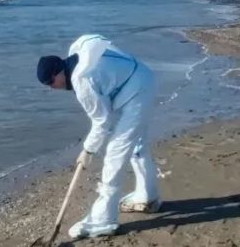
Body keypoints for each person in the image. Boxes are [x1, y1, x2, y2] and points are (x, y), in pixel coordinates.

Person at [36, 34, 160, 239]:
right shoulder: (80, 51)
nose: (52, 88)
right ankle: (148, 196)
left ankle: (103, 220)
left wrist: (88, 150)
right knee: (137, 146)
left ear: (59, 71)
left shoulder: (81, 80)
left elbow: (102, 122)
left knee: (115, 155)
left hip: (136, 92)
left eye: (51, 82)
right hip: (142, 77)